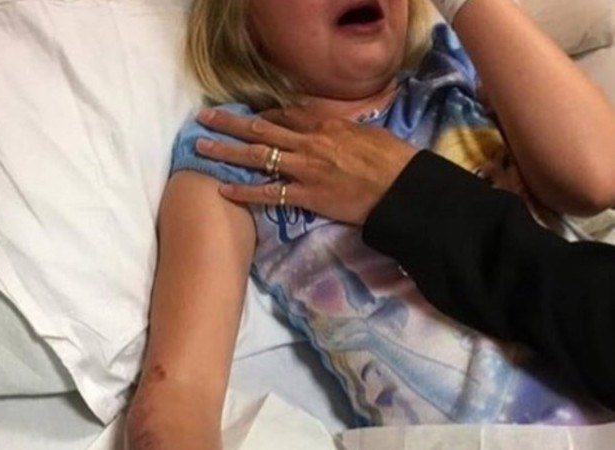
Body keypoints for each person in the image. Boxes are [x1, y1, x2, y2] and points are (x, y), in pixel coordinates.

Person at [127, 0, 615, 448]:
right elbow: (180, 392)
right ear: (240, 18)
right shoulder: (237, 152)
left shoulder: (456, 75)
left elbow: (598, 177)